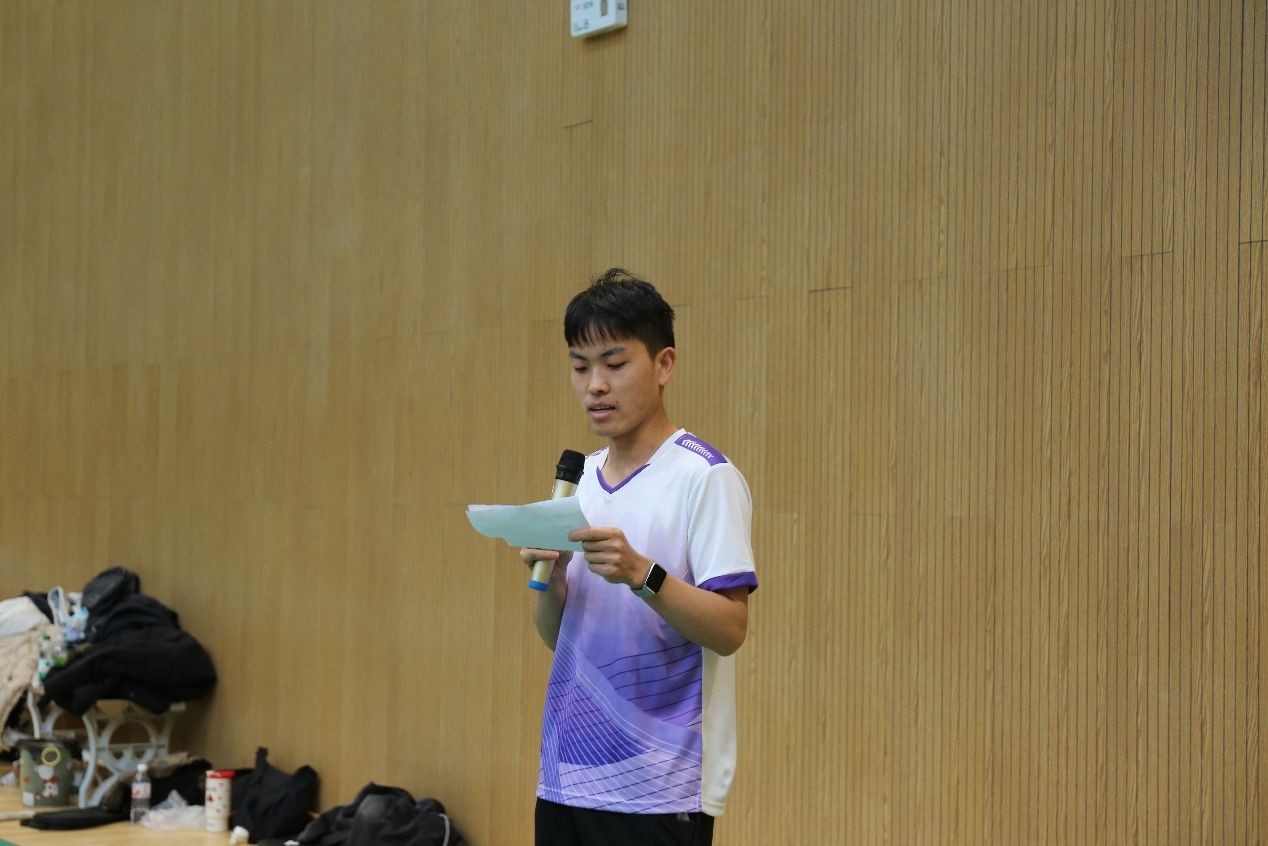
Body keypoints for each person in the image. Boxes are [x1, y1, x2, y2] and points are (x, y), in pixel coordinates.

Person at [520, 268, 759, 846]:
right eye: (580, 367)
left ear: (664, 364)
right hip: (565, 777)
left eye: (614, 363)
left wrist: (642, 574)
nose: (595, 386)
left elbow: (730, 629)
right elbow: (561, 640)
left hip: (659, 789)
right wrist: (553, 584)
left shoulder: (705, 477)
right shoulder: (579, 483)